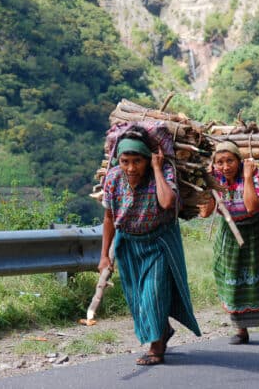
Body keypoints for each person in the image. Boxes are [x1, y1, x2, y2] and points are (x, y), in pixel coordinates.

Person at [99, 126, 201, 365]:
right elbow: (109, 218)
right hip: (129, 247)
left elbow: (167, 202)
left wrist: (156, 168)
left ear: (148, 158)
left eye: (138, 161)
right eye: (125, 161)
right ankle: (163, 331)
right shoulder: (113, 178)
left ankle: (156, 348)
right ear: (118, 160)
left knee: (153, 293)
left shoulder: (163, 171)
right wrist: (104, 255)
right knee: (139, 299)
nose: (131, 168)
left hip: (158, 242)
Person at [198, 141, 259, 344]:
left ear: (239, 161)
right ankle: (241, 330)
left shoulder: (254, 175)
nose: (225, 166)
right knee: (232, 279)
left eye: (230, 160)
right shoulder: (215, 178)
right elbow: (204, 213)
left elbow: (252, 207)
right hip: (231, 233)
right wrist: (208, 184)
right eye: (220, 162)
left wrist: (247, 176)